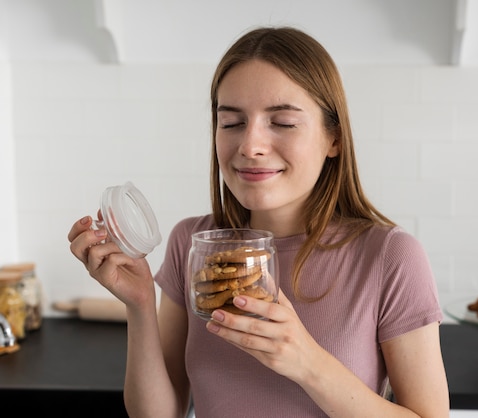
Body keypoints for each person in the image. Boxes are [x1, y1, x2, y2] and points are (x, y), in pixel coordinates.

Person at [68, 26, 449, 418]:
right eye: (231, 123)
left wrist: (308, 363)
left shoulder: (390, 257)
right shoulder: (193, 242)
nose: (250, 146)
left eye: (282, 122)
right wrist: (140, 305)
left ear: (333, 138)